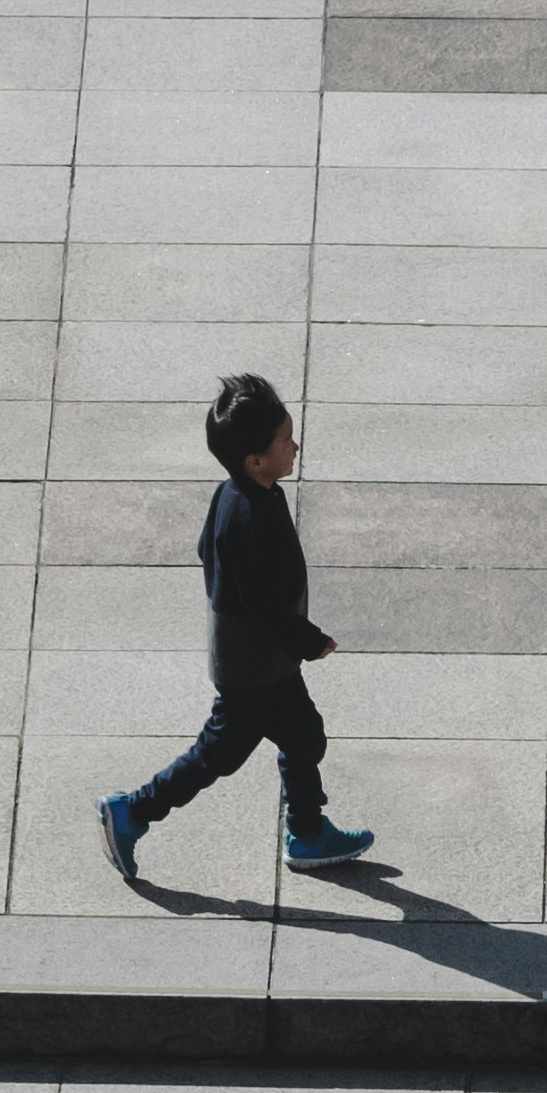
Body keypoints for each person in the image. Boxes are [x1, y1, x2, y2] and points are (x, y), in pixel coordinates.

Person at [97, 372, 379, 881]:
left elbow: (207, 548)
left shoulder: (242, 492)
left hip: (266, 663)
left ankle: (308, 832)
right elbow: (265, 607)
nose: (295, 446)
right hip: (253, 668)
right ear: (255, 459)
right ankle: (133, 812)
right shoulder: (250, 515)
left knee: (304, 737)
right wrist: (311, 642)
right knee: (217, 755)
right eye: (286, 440)